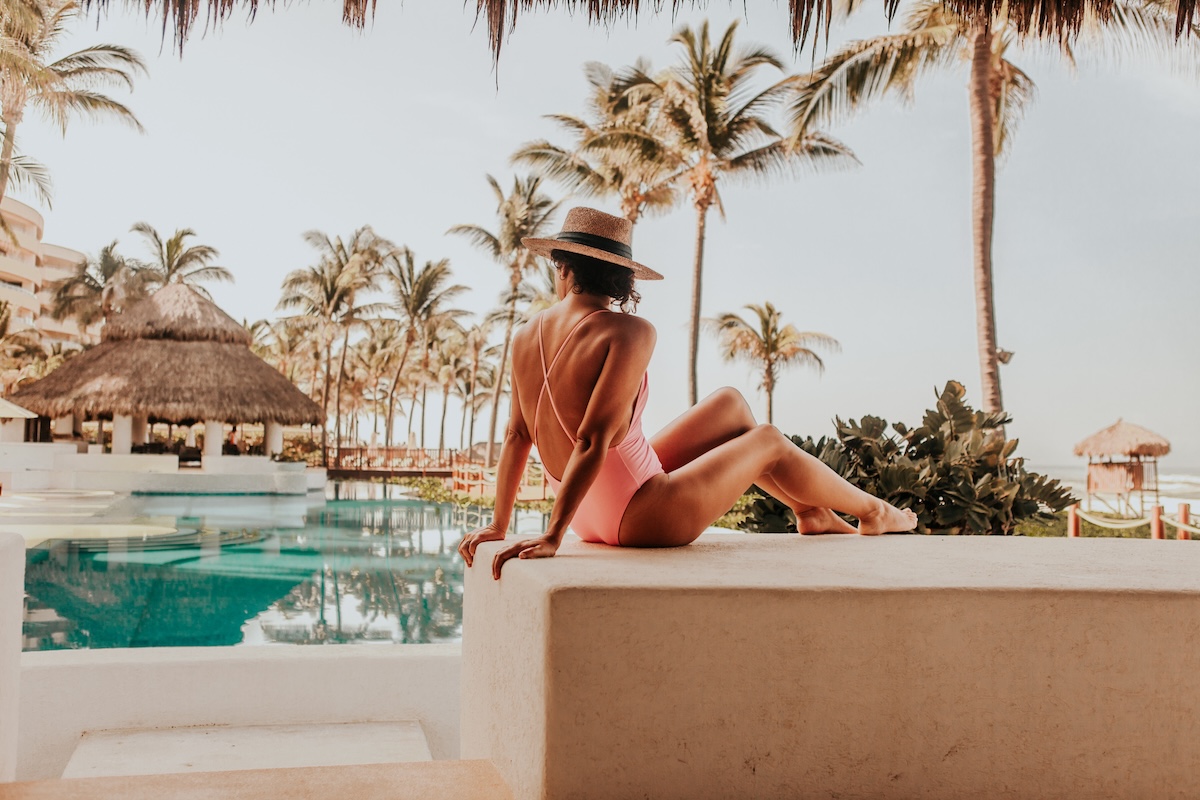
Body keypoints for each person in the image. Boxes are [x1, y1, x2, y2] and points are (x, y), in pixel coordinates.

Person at [458, 207, 917, 579]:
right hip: (640, 518)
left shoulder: (524, 335)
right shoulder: (629, 331)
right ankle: (875, 511)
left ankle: (810, 512)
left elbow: (517, 435)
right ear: (622, 276)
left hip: (589, 512)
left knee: (730, 404)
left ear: (563, 266)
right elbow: (592, 440)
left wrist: (501, 524)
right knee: (769, 440)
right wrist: (554, 535)